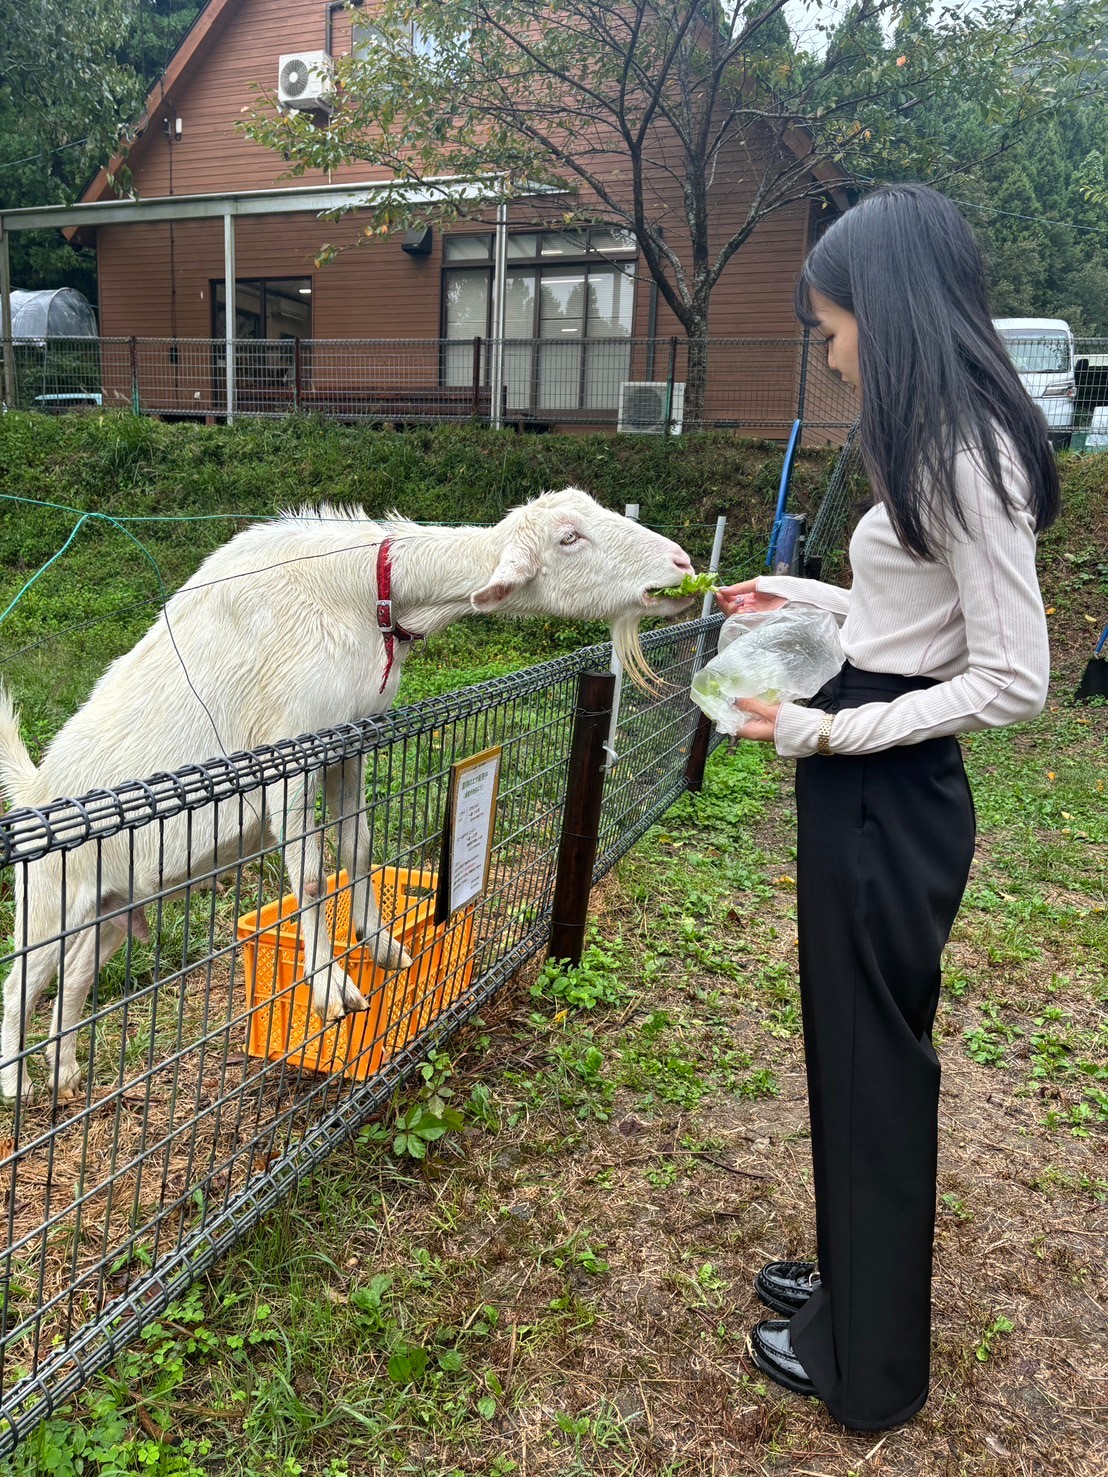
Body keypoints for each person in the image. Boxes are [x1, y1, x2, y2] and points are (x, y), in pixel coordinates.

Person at [714, 183, 1057, 1432]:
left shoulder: (965, 459)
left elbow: (1012, 677)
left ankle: (867, 1366)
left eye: (832, 326)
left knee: (869, 1062)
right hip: (868, 783)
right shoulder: (936, 442)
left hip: (884, 791)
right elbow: (905, 622)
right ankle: (856, 1281)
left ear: (888, 311)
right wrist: (798, 598)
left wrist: (824, 730)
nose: (831, 350)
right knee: (856, 1049)